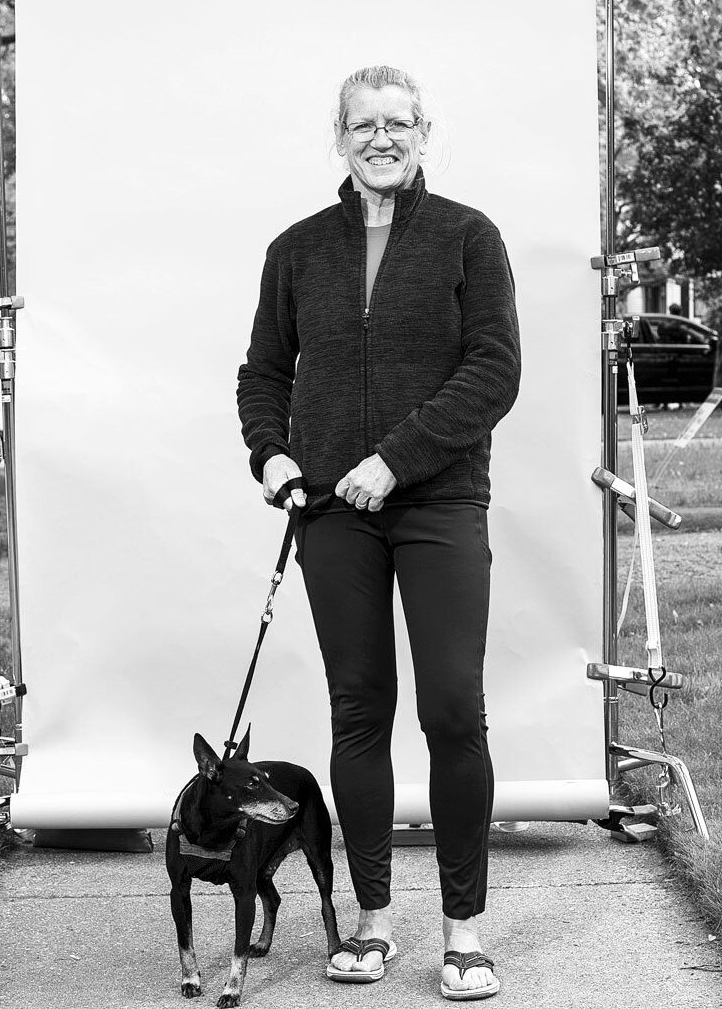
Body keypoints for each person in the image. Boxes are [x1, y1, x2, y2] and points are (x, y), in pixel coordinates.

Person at [236, 65, 520, 1002]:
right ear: (341, 137)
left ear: (424, 132)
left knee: (451, 707)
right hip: (329, 513)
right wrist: (273, 458)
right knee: (359, 709)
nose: (382, 138)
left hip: (439, 502)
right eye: (365, 124)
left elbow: (493, 373)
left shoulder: (468, 238)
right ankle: (370, 920)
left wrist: (396, 459)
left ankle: (466, 933)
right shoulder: (297, 249)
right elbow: (264, 375)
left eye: (399, 123)